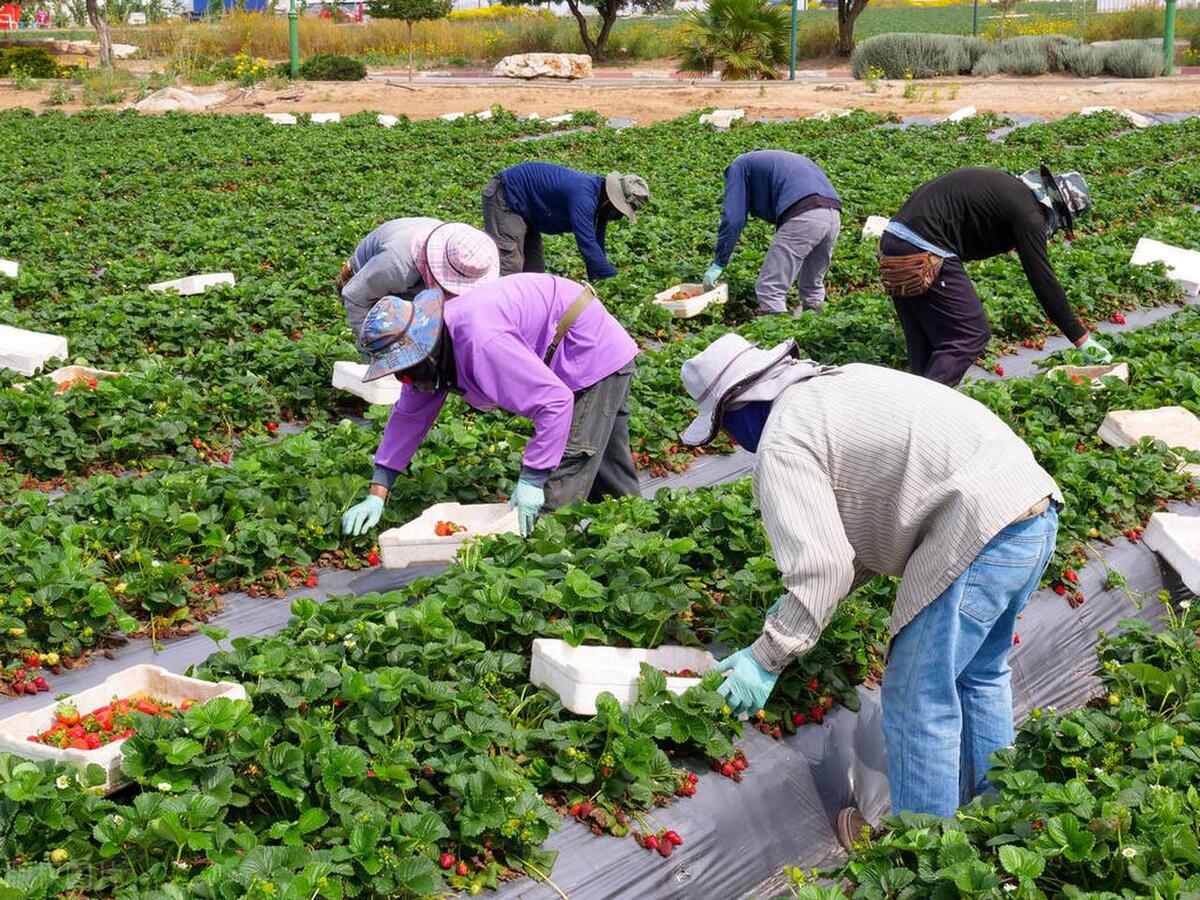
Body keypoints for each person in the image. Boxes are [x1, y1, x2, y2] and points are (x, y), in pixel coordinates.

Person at [678, 333, 1061, 844]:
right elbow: (857, 542)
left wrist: (768, 654)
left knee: (916, 698)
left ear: (740, 409)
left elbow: (824, 564)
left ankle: (926, 857)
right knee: (980, 675)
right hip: (1031, 505)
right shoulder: (841, 382)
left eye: (726, 430)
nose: (733, 444)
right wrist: (803, 607)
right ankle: (998, 825)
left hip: (975, 532)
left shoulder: (784, 438)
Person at [341, 273, 642, 538]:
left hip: (587, 350)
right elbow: (408, 416)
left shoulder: (481, 341)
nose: (405, 378)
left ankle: (550, 568)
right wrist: (377, 492)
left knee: (565, 476)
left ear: (426, 353)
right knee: (609, 467)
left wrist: (533, 479)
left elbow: (555, 402)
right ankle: (633, 538)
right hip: (582, 342)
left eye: (406, 368)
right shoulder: (432, 347)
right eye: (398, 372)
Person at [879, 165, 1111, 386]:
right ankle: (926, 405)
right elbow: (1042, 279)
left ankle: (910, 411)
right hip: (923, 247)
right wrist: (1081, 339)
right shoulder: (1029, 213)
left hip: (893, 241)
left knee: (925, 342)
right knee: (971, 333)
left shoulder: (1011, 190)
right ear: (1057, 209)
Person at [702, 150, 842, 316]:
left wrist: (719, 261)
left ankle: (779, 336)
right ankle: (818, 330)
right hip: (833, 212)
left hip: (805, 214)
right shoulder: (773, 160)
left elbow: (733, 219)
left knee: (770, 288)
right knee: (812, 286)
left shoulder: (738, 167)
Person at [481, 162, 649, 282]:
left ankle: (527, 310)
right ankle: (497, 312)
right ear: (612, 200)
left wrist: (597, 278)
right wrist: (613, 280)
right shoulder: (583, 196)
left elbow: (598, 242)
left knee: (535, 270)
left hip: (530, 209)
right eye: (619, 211)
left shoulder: (600, 201)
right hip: (505, 197)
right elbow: (587, 244)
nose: (617, 216)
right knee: (510, 266)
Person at [335, 220, 498, 341]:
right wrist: (375, 351)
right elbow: (355, 299)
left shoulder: (466, 252)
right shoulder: (397, 266)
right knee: (393, 339)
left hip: (407, 274)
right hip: (366, 279)